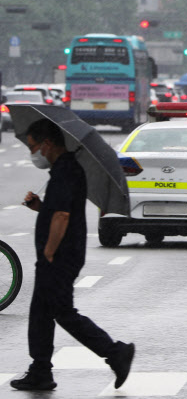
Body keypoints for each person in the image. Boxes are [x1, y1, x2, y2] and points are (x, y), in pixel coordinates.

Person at [11, 119, 135, 391]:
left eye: (34, 146)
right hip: (59, 255)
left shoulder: (66, 171)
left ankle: (116, 353)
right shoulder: (61, 170)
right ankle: (40, 370)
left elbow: (63, 215)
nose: (33, 153)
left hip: (60, 256)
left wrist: (49, 251)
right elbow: (56, 209)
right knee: (41, 313)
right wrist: (39, 207)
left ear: (47, 143)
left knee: (63, 312)